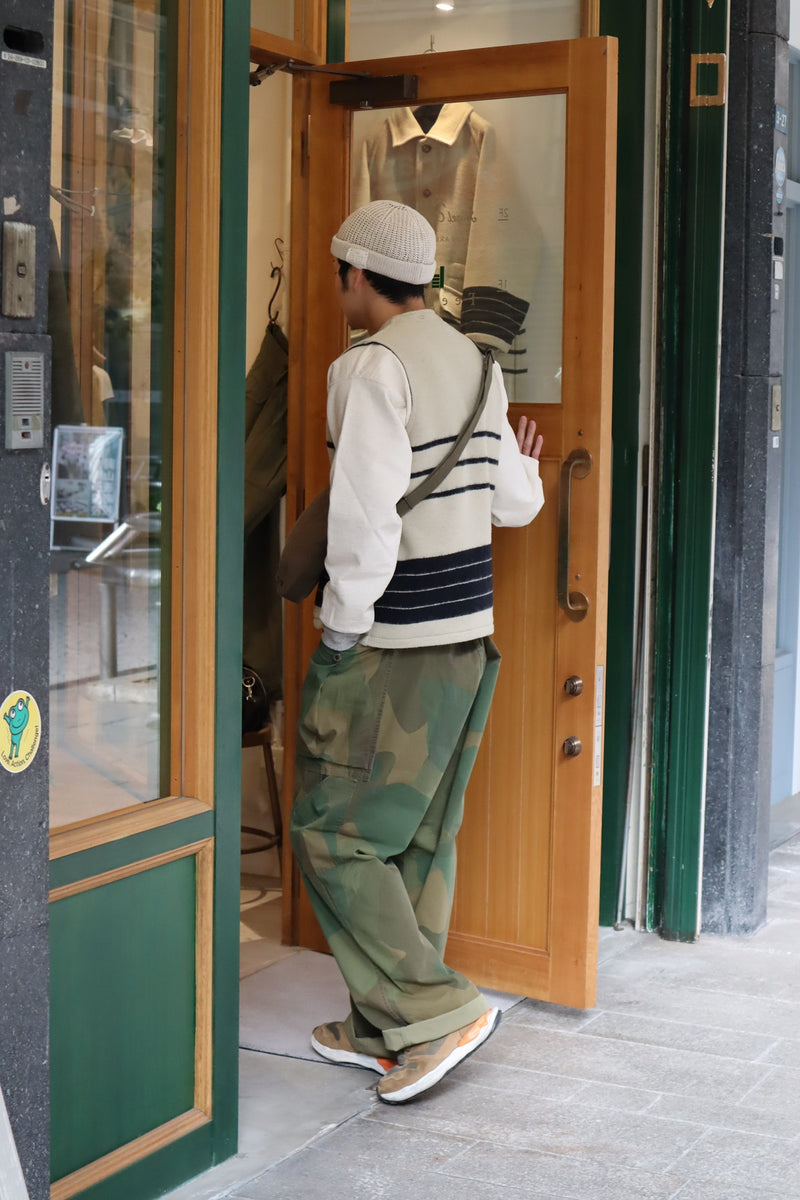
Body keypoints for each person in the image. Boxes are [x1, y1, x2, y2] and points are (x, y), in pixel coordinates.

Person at [289, 200, 544, 1105]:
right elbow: (516, 504)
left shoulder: (368, 368)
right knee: (420, 842)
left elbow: (361, 526)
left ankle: (437, 1011)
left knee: (330, 835)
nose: (339, 288)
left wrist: (339, 640)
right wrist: (528, 461)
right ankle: (385, 1029)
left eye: (338, 273)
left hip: (393, 645)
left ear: (358, 275)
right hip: (469, 640)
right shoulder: (477, 361)